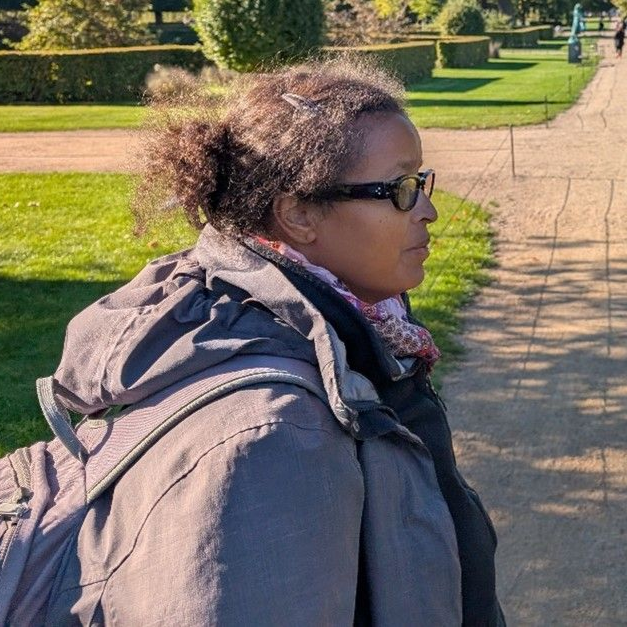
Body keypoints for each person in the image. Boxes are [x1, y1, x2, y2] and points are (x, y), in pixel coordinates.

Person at [33, 60, 505, 625]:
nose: (428, 210)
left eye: (421, 182)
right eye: (401, 190)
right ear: (298, 214)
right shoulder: (274, 435)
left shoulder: (349, 329)